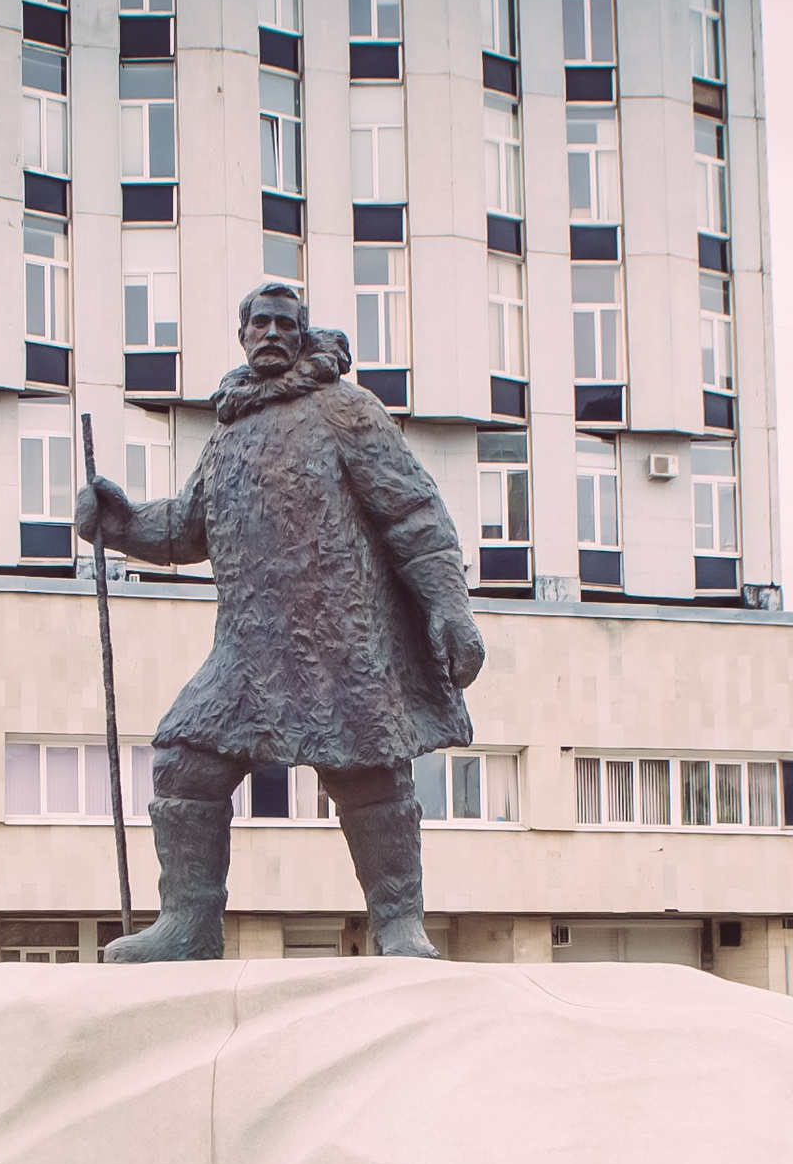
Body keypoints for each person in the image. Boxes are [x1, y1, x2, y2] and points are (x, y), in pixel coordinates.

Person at [75, 283, 485, 960]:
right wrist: (120, 526)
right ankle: (189, 925)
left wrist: (449, 605)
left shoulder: (347, 411)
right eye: (258, 322)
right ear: (242, 335)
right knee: (186, 761)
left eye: (283, 323)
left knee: (372, 774)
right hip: (250, 646)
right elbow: (188, 526)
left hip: (342, 639)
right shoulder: (231, 430)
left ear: (301, 333)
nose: (270, 332)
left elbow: (414, 514)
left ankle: (398, 924)